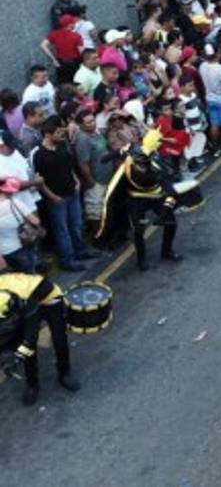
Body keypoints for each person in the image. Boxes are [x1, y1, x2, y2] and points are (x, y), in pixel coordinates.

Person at [96, 130, 184, 271]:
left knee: (171, 223)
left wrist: (163, 214)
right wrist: (107, 157)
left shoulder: (157, 172)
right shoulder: (130, 154)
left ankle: (167, 251)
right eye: (137, 164)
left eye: (142, 165)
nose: (139, 167)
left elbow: (171, 193)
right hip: (136, 201)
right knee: (139, 229)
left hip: (156, 197)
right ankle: (141, 259)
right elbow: (116, 153)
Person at [31, 116, 101, 272]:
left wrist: (76, 181)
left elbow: (70, 167)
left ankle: (81, 251)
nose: (61, 135)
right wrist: (52, 197)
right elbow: (39, 181)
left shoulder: (62, 146)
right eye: (57, 132)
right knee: (62, 231)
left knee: (76, 225)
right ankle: (67, 260)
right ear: (48, 134)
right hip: (57, 199)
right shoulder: (39, 155)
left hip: (72, 192)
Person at [0, 272, 79, 406]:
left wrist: (17, 356)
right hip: (24, 301)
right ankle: (33, 386)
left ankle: (64, 374)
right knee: (24, 346)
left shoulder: (26, 300)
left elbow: (31, 337)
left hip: (49, 299)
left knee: (58, 338)